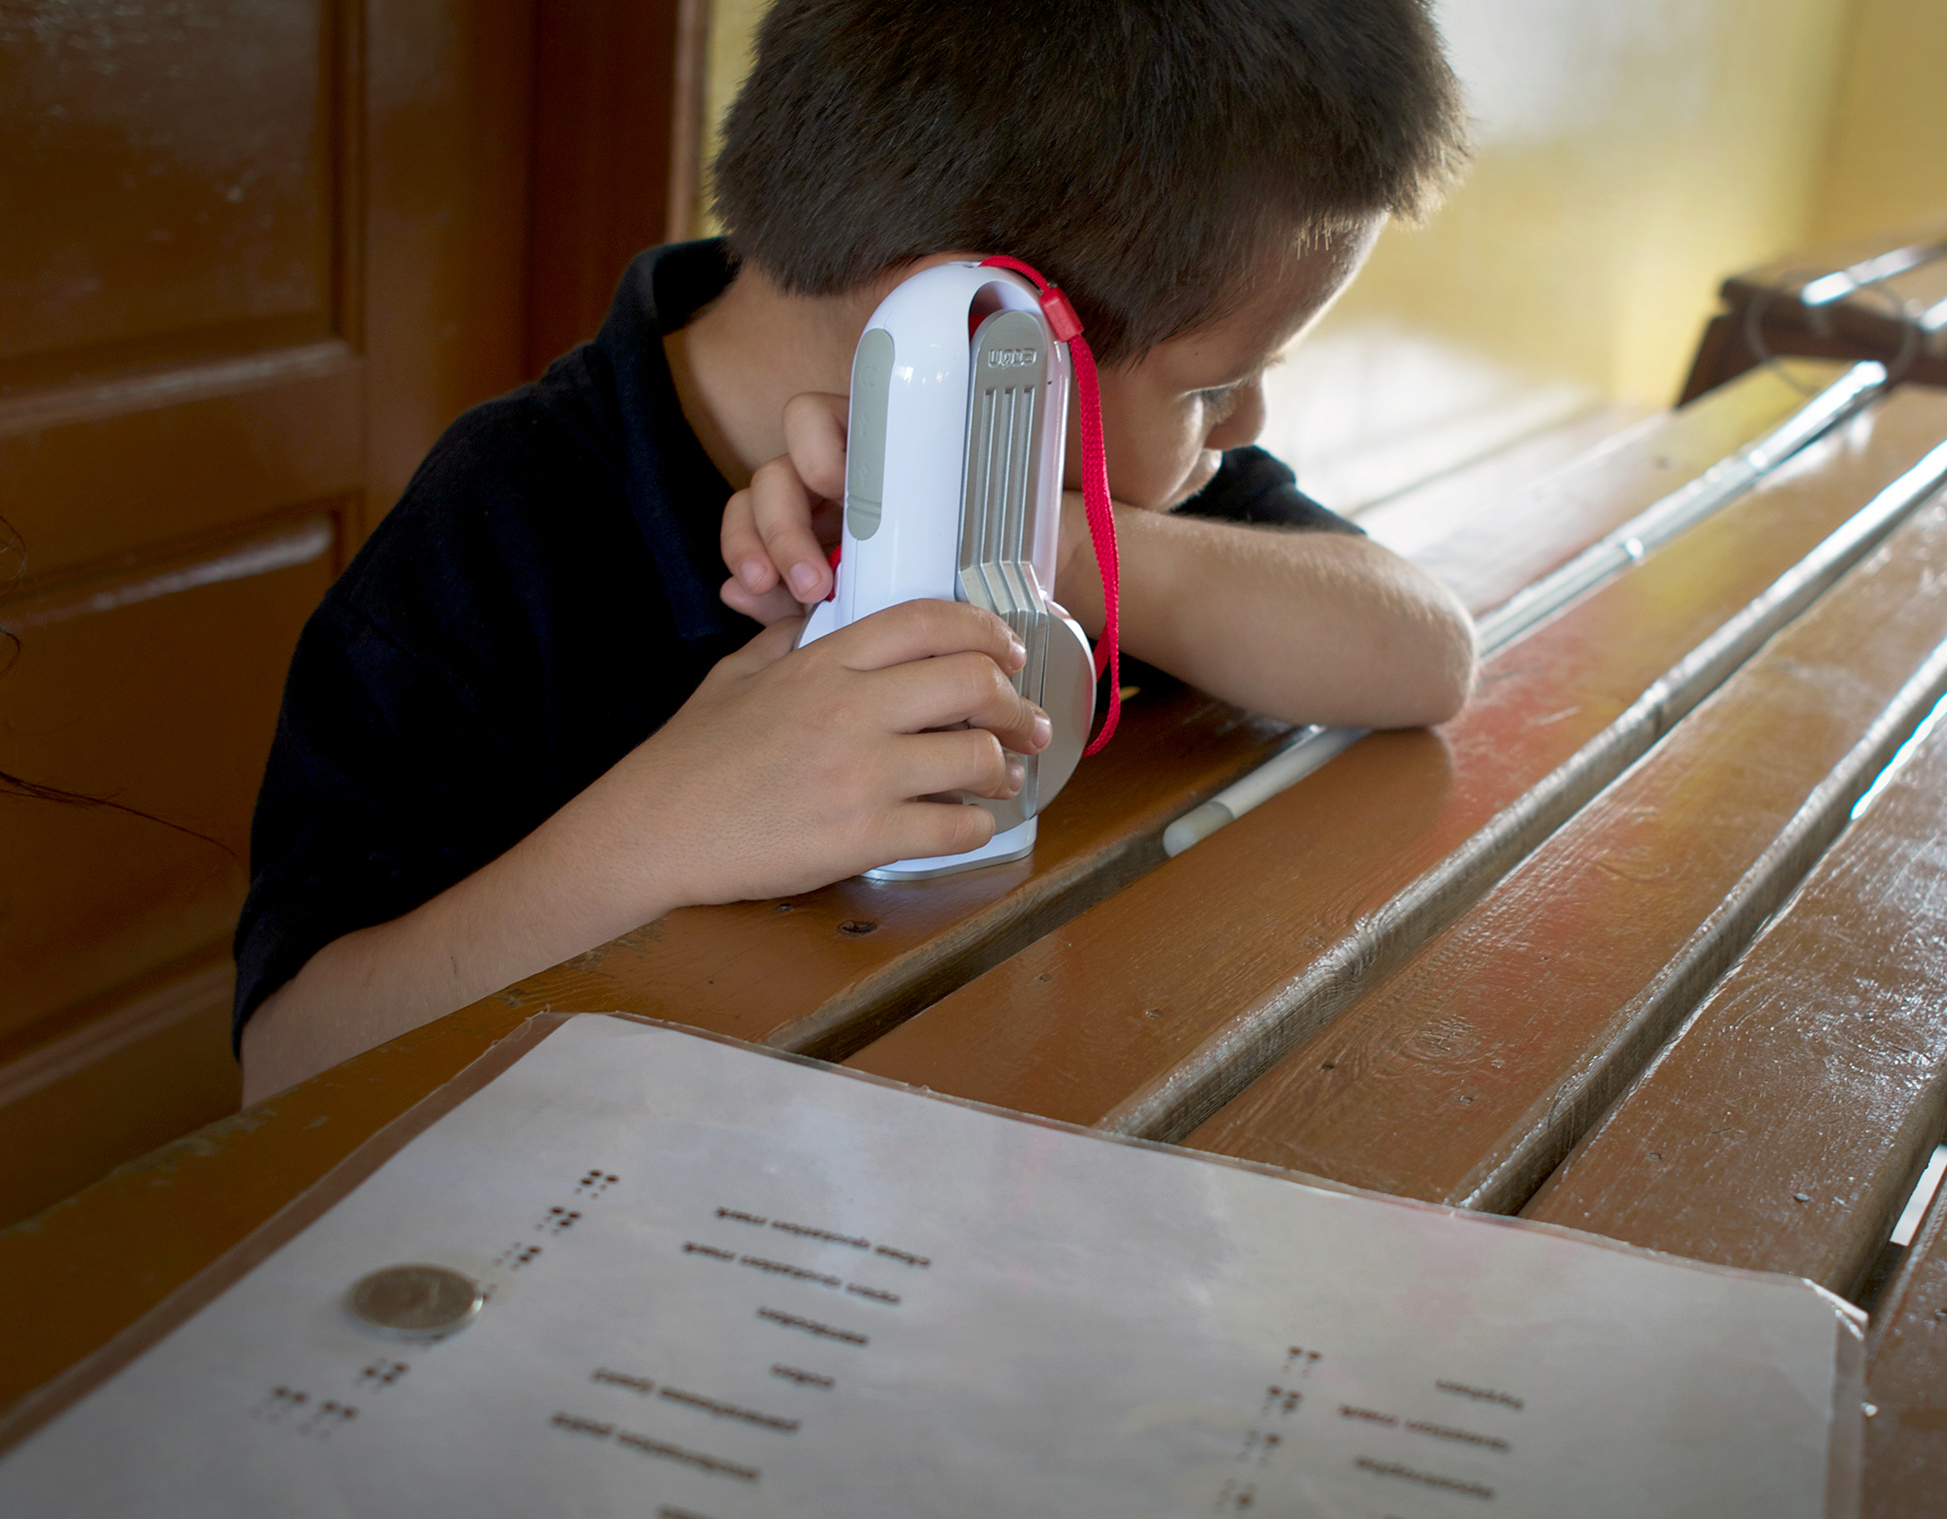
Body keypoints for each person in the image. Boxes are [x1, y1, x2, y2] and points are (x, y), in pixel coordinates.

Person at [236, 0, 1477, 1099]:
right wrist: (661, 829)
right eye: (1221, 383)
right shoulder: (506, 523)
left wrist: (1037, 537)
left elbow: (1423, 653)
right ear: (989, 326)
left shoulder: (1069, 479)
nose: (1247, 426)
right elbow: (291, 1062)